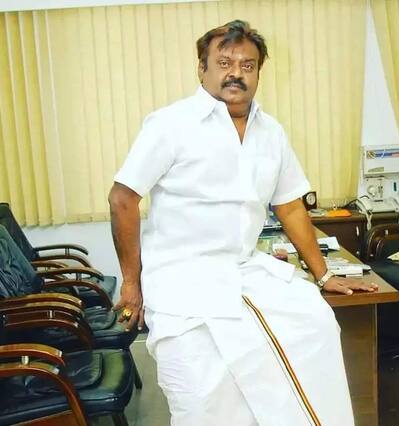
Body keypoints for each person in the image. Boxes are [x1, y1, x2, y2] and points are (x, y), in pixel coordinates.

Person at [108, 19, 377, 426]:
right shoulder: (170, 124)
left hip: (243, 271)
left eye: (247, 65)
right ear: (202, 69)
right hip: (180, 278)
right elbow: (122, 198)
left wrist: (323, 275)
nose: (236, 73)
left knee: (316, 325)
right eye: (224, 63)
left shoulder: (271, 132)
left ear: (258, 73)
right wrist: (132, 283)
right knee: (203, 390)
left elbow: (290, 207)